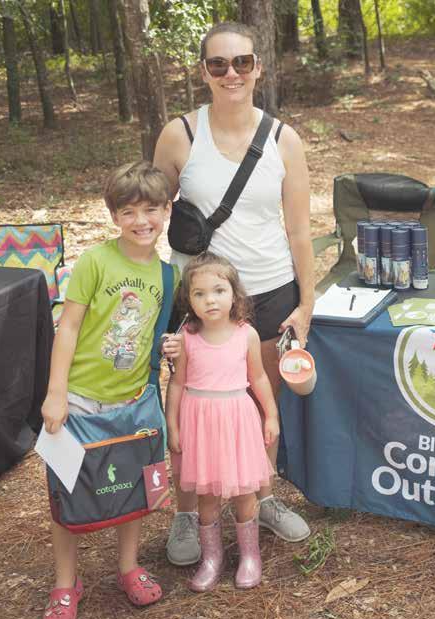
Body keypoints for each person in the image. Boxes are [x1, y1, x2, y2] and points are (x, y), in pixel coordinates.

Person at [154, 21, 313, 566]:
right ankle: (186, 513)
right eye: (218, 64)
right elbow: (152, 213)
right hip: (199, 297)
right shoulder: (179, 135)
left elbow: (299, 231)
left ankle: (262, 498)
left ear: (257, 67)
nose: (231, 74)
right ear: (203, 71)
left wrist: (306, 304)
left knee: (260, 400)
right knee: (193, 403)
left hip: (270, 289)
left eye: (241, 62)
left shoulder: (284, 140)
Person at [39, 161, 182, 619]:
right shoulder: (95, 262)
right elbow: (69, 327)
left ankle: (128, 566)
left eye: (151, 210)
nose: (142, 221)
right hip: (80, 398)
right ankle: (66, 582)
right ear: (114, 216)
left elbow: (156, 334)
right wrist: (56, 393)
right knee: (67, 488)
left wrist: (170, 346)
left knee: (132, 486)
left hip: (133, 399)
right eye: (129, 212)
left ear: (167, 210)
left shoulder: (167, 275)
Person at [165, 252, 278, 591]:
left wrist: (271, 414)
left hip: (237, 421)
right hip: (200, 424)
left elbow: (259, 378)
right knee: (207, 496)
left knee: (244, 492)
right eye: (199, 294)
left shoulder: (247, 335)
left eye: (218, 291)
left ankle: (250, 555)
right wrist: (173, 424)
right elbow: (177, 383)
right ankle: (211, 558)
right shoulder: (187, 338)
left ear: (234, 294)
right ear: (189, 300)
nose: (210, 300)